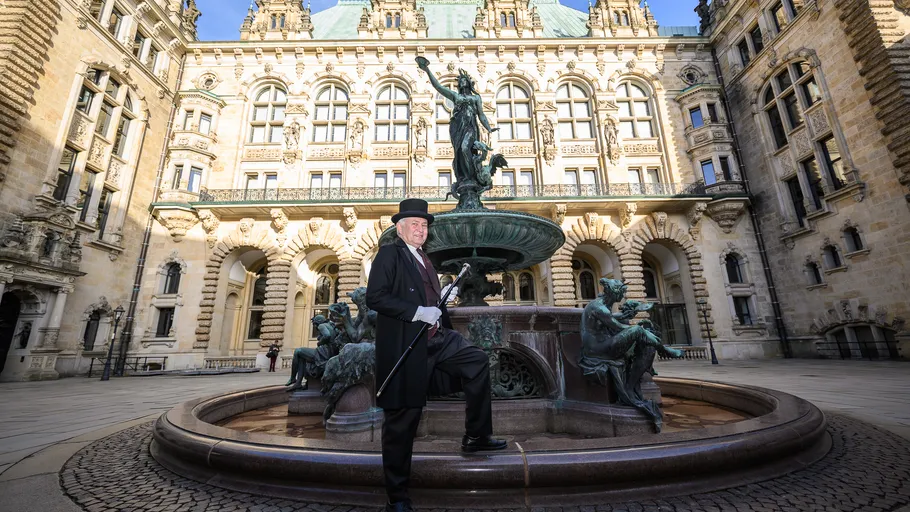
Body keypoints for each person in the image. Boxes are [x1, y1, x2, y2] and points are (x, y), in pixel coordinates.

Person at [366, 198, 506, 512]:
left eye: (424, 225)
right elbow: (375, 297)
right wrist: (417, 311)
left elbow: (428, 298)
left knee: (477, 360)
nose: (420, 230)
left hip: (437, 338)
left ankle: (477, 435)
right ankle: (397, 496)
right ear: (400, 228)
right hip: (407, 344)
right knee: (402, 421)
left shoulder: (425, 259)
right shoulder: (390, 254)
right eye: (414, 224)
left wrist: (443, 297)